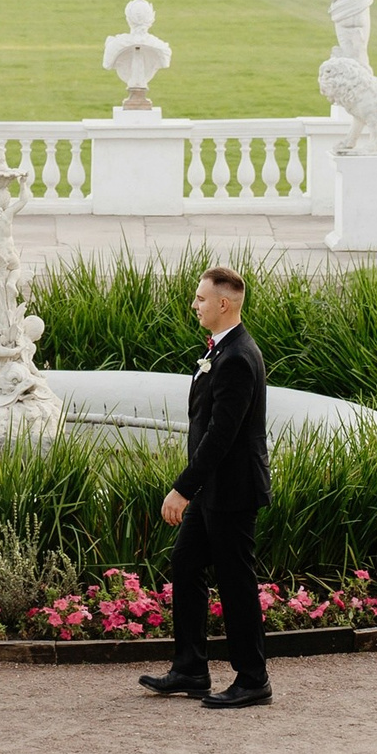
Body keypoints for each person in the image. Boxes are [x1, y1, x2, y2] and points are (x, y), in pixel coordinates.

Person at [140, 265, 272, 709]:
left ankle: (253, 679)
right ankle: (191, 668)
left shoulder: (236, 358)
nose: (194, 305)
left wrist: (182, 489)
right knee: (185, 563)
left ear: (224, 304)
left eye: (200, 299)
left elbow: (221, 435)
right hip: (214, 488)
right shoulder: (221, 349)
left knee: (236, 582)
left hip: (233, 490)